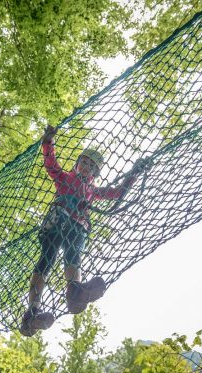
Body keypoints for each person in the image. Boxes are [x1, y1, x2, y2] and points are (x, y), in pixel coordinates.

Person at [20, 125, 152, 336]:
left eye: (92, 166)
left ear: (95, 173)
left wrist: (134, 173)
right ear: (78, 163)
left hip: (77, 226)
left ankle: (75, 290)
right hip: (57, 220)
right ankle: (32, 312)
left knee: (74, 256)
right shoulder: (66, 179)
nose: (87, 166)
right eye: (84, 162)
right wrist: (48, 142)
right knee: (47, 258)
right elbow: (51, 165)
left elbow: (117, 193)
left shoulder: (92, 191)